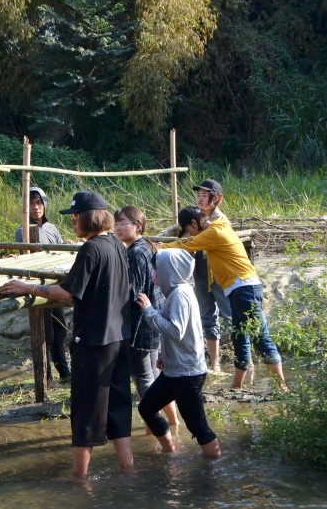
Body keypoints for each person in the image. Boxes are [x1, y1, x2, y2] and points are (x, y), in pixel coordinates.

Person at [0, 191, 133, 478]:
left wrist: (28, 288)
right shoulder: (117, 245)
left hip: (94, 341)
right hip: (119, 337)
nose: (72, 222)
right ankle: (127, 468)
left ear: (88, 217)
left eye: (75, 217)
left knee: (85, 412)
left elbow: (69, 292)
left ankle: (79, 481)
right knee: (118, 407)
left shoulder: (91, 249)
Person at [164, 179, 288, 391]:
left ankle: (282, 387)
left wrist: (159, 247)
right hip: (236, 287)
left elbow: (185, 245)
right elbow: (188, 241)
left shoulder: (215, 231)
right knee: (239, 334)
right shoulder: (213, 227)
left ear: (194, 225)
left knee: (258, 335)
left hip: (244, 287)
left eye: (189, 229)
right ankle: (237, 386)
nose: (190, 234)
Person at [135, 249, 221, 457]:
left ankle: (214, 469)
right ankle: (169, 452)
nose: (155, 275)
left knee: (198, 426)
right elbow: (184, 333)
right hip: (174, 371)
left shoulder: (180, 295)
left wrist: (149, 311)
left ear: (169, 270)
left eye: (157, 270)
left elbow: (176, 330)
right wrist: (166, 356)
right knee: (146, 408)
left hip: (188, 374)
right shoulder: (175, 293)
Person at [113, 206, 178, 427]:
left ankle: (161, 435)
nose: (118, 227)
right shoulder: (145, 247)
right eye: (116, 223)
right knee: (154, 379)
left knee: (145, 382)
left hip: (140, 326)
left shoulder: (134, 253)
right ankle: (174, 424)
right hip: (152, 323)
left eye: (123, 223)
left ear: (138, 226)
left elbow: (132, 293)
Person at [15, 188, 71, 388]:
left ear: (45, 204)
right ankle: (47, 378)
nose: (36, 207)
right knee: (45, 334)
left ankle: (63, 371)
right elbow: (24, 259)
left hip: (55, 286)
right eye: (31, 203)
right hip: (37, 287)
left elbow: (60, 251)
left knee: (60, 331)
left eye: (38, 203)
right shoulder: (23, 230)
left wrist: (67, 245)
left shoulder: (52, 228)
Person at [177, 185, 233, 374]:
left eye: (204, 196)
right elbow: (180, 233)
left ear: (216, 199)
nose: (200, 200)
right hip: (201, 273)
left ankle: (244, 361)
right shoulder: (196, 217)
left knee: (230, 317)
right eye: (198, 196)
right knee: (207, 319)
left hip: (218, 275)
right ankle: (215, 363)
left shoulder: (220, 221)